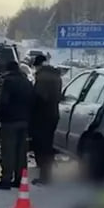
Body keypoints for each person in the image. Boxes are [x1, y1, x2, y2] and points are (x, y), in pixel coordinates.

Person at [0, 60, 34, 190]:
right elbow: (33, 102)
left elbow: (3, 102)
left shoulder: (9, 82)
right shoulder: (27, 82)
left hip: (10, 122)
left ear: (8, 70)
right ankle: (19, 179)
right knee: (21, 153)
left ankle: (5, 180)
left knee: (8, 152)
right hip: (24, 122)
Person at [30, 54, 63, 185]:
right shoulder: (56, 76)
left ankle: (45, 177)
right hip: (53, 114)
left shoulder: (42, 77)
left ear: (38, 65)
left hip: (41, 116)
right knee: (48, 146)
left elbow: (39, 97)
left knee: (42, 147)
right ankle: (47, 174)